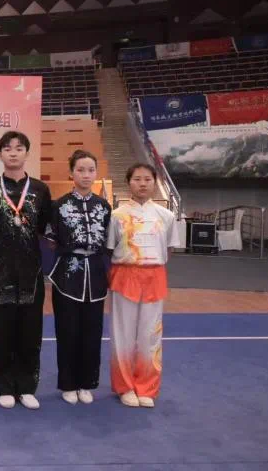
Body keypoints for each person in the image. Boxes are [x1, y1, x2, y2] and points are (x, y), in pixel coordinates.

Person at [0, 131, 52, 410]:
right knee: (0, 333)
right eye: (7, 148)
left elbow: (45, 228)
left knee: (30, 333)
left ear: (27, 153)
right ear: (0, 154)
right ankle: (4, 386)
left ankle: (27, 386)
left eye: (19, 148)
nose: (13, 153)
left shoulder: (40, 190)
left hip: (31, 273)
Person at [107, 163, 178, 409]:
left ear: (154, 182)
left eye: (147, 179)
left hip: (154, 276)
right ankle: (125, 387)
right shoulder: (117, 216)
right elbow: (110, 249)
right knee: (123, 335)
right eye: (137, 179)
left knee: (150, 335)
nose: (143, 183)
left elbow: (168, 249)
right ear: (129, 183)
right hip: (125, 275)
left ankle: (147, 387)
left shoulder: (166, 216)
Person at [47, 150, 111, 405]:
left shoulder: (104, 207)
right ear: (71, 173)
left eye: (91, 170)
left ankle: (87, 383)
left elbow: (109, 242)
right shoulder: (58, 206)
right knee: (67, 331)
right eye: (80, 170)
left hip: (96, 274)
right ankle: (68, 384)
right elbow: (51, 241)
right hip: (67, 275)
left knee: (92, 332)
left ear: (96, 173)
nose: (86, 175)